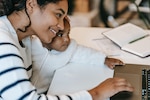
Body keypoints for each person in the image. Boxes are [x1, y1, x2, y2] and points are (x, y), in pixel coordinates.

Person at [0, 0, 133, 100]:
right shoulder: (4, 43)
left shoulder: (24, 39)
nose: (61, 25)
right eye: (58, 14)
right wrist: (95, 94)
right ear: (31, 5)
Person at [31, 18, 126, 94]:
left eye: (68, 34)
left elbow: (83, 53)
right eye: (60, 35)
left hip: (47, 93)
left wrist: (104, 59)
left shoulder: (68, 48)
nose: (66, 39)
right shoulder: (33, 44)